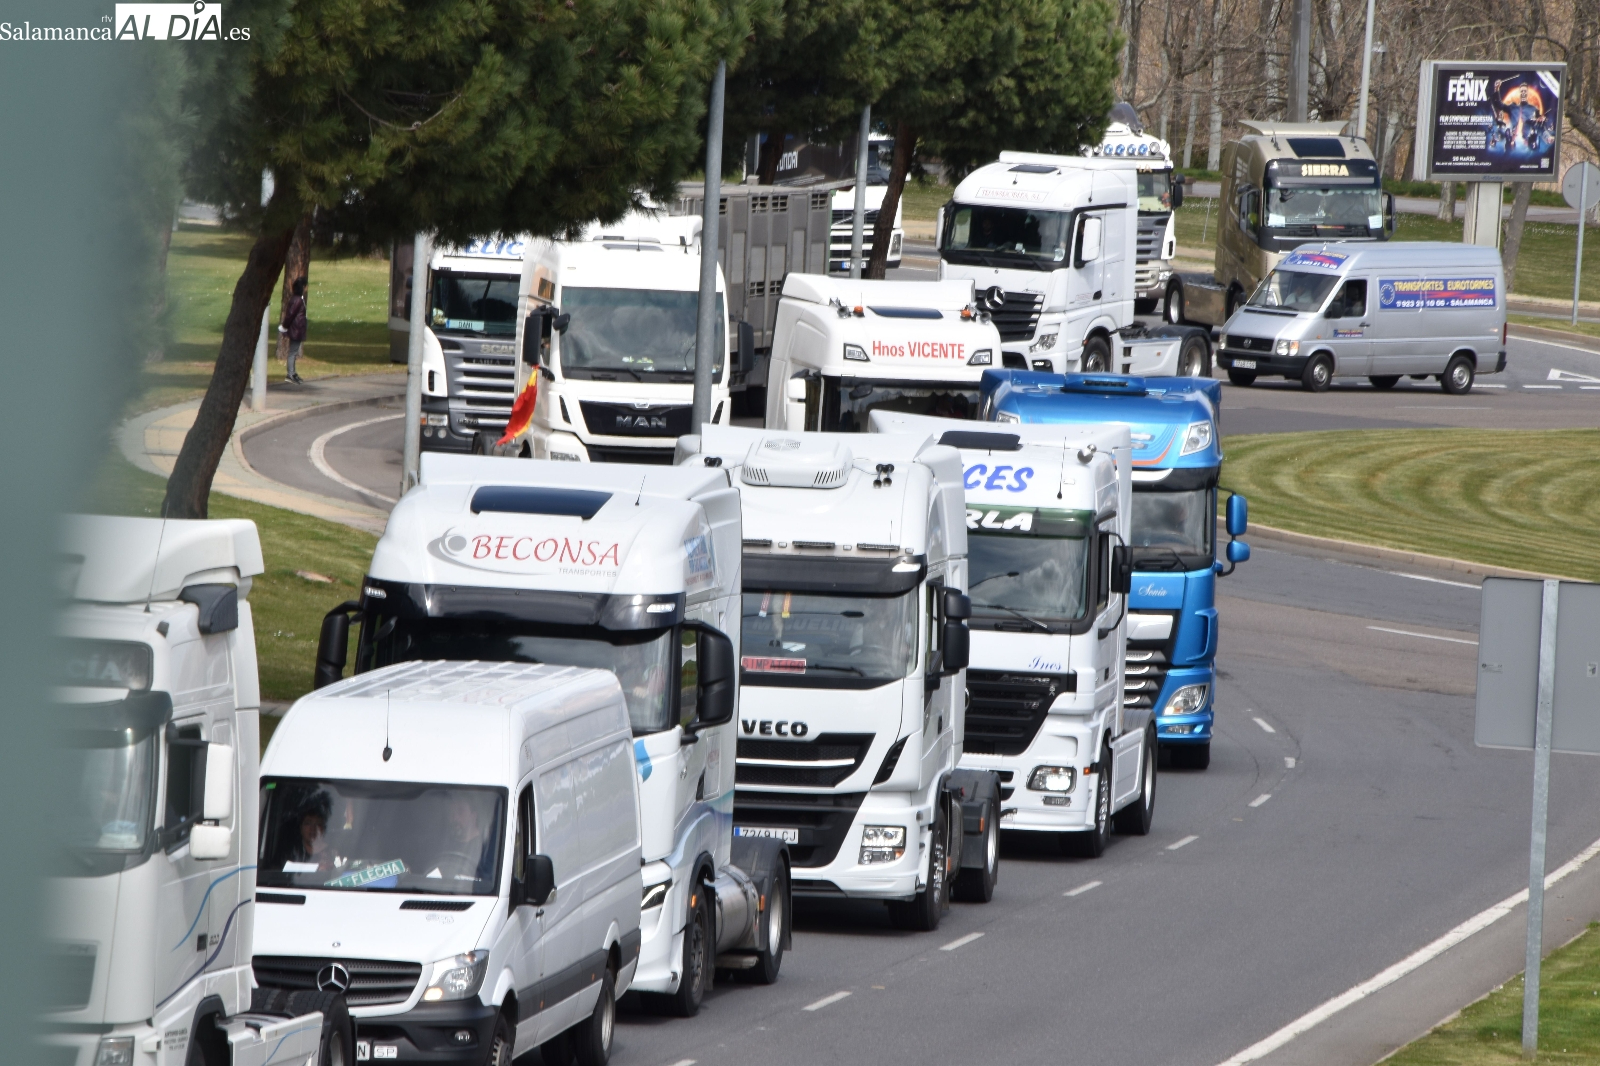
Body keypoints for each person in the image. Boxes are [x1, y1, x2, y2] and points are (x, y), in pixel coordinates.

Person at [280, 276, 308, 384]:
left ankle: (293, 372)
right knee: (292, 352)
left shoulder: (299, 298)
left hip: (298, 329)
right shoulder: (297, 300)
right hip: (296, 329)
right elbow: (290, 315)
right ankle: (290, 374)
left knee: (294, 352)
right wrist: (284, 327)